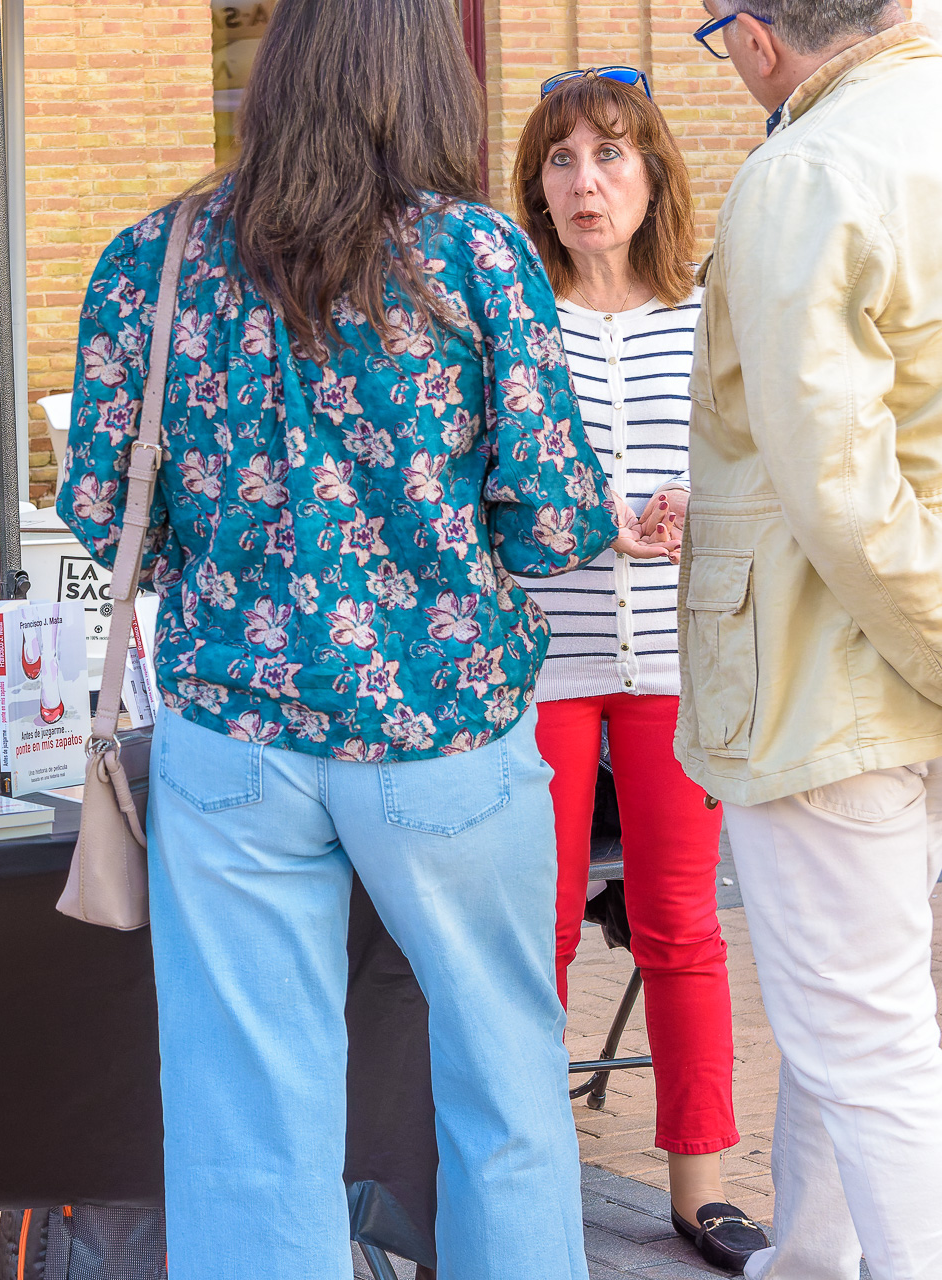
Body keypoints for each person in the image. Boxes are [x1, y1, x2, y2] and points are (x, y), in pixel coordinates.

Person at [59, 1, 619, 1274]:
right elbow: (553, 519)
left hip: (233, 733)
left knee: (245, 1110)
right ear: (430, 77)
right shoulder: (475, 256)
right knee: (506, 1081)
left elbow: (109, 518)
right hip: (443, 726)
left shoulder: (155, 256)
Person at [677, 3, 942, 1277]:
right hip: (879, 652)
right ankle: (812, 1258)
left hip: (838, 660)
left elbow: (837, 481)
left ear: (757, 37)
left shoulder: (807, 168)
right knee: (861, 1028)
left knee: (866, 1040)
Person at [511, 69, 769, 1273]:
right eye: (562, 161)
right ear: (538, 185)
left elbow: (757, 465)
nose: (585, 182)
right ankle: (521, 1189)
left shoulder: (707, 315)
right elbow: (486, 482)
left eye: (609, 156)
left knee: (681, 927)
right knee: (537, 929)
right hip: (544, 666)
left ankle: (700, 1186)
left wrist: (696, 508)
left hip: (677, 664)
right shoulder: (516, 319)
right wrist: (592, 517)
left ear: (654, 173)